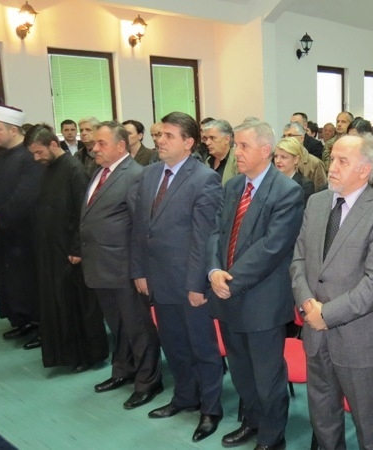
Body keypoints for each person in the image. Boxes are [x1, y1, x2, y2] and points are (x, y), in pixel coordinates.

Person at [291, 133, 373, 450]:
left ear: (365, 170)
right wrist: (307, 302)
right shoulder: (317, 202)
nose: (332, 167)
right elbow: (299, 260)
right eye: (332, 159)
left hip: (359, 338)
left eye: (343, 161)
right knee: (323, 417)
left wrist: (326, 314)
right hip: (315, 333)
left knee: (368, 425)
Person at [208, 118, 303, 450]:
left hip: (262, 301)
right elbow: (216, 233)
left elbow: (272, 248)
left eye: (243, 145)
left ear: (265, 150)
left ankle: (272, 438)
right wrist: (213, 271)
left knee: (267, 377)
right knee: (241, 372)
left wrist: (230, 280)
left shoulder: (287, 191)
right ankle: (252, 421)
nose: (237, 152)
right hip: (227, 295)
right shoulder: (234, 186)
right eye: (236, 145)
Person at [130, 112, 224, 441]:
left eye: (168, 135)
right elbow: (141, 228)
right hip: (158, 279)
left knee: (202, 348)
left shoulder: (204, 179)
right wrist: (139, 270)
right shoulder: (150, 174)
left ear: (188, 142)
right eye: (159, 135)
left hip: (189, 282)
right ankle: (185, 397)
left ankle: (211, 408)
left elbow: (205, 237)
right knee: (174, 345)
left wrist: (197, 284)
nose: (160, 140)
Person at [81, 121, 162, 409]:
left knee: (138, 327)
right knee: (118, 326)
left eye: (101, 143)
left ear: (120, 145)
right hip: (101, 265)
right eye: (95, 143)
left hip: (125, 268)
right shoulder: (100, 172)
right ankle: (123, 370)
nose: (95, 148)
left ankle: (148, 381)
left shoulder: (135, 175)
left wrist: (139, 270)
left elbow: (142, 228)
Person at [25, 124, 108, 369]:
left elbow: (83, 214)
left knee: (79, 306)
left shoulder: (74, 170)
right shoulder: (49, 169)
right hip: (52, 251)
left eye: (39, 152)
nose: (36, 158)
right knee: (60, 305)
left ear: (53, 144)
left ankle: (89, 356)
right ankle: (67, 354)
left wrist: (76, 249)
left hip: (71, 253)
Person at [0, 105, 43, 344]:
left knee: (28, 282)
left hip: (24, 235)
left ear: (13, 130)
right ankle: (22, 321)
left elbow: (24, 197)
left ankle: (40, 325)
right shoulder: (0, 158)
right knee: (11, 283)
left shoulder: (29, 157)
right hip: (3, 234)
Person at [282, 121, 328, 190]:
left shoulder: (315, 163)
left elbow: (321, 191)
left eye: (290, 136)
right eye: (284, 136)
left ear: (301, 138)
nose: (286, 139)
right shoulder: (279, 161)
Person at [275, 137, 315, 205]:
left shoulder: (305, 185)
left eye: (283, 157)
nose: (278, 161)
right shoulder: (270, 181)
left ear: (296, 159)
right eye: (276, 156)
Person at [202, 119, 239, 185]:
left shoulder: (237, 160)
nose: (207, 143)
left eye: (212, 138)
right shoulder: (208, 161)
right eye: (206, 139)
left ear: (227, 139)